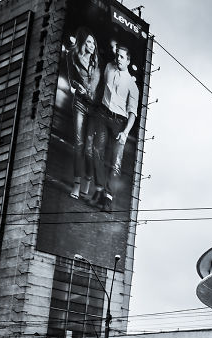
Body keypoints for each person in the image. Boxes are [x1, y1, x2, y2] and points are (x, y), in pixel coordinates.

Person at [90, 42, 139, 211]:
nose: (118, 58)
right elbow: (102, 86)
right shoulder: (109, 68)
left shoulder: (132, 85)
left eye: (122, 57)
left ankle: (108, 198)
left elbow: (132, 113)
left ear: (128, 61)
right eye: (117, 55)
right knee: (96, 151)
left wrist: (125, 132)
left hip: (119, 123)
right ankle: (99, 189)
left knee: (115, 162)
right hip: (103, 115)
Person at [65, 27, 101, 199]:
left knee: (89, 148)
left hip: (94, 108)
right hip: (79, 103)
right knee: (78, 144)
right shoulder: (72, 56)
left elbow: (99, 87)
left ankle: (88, 179)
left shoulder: (97, 62)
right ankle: (77, 184)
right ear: (82, 43)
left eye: (93, 42)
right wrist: (76, 86)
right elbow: (71, 79)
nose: (92, 45)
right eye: (88, 42)